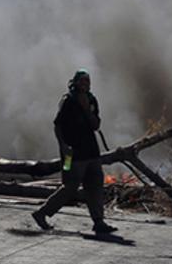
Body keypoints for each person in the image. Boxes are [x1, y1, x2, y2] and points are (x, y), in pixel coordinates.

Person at [32, 70, 117, 234]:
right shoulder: (68, 100)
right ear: (75, 82)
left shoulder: (92, 100)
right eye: (83, 81)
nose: (86, 84)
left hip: (92, 152)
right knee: (70, 186)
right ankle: (42, 213)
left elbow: (96, 125)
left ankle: (99, 221)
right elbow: (57, 125)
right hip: (72, 154)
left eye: (88, 81)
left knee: (95, 186)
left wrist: (87, 109)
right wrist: (63, 145)